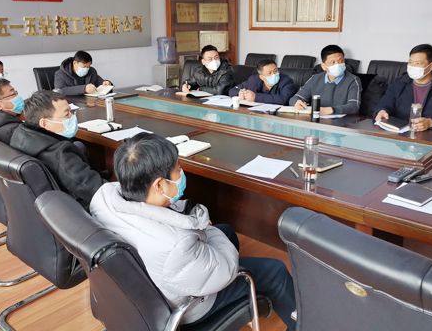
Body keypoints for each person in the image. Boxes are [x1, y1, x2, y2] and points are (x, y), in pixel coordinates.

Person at [90, 133, 296, 330]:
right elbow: (226, 269)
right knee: (275, 271)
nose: (182, 174)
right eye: (178, 169)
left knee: (226, 231)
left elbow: (161, 216)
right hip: (190, 306)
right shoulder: (174, 245)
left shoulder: (105, 199)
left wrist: (199, 224)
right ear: (159, 185)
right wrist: (204, 227)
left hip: (155, 284)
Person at [10, 90, 106, 210]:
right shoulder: (61, 154)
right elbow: (96, 190)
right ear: (45, 123)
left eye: (71, 111)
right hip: (76, 209)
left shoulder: (20, 133)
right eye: (67, 114)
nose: (72, 117)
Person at [374, 44, 432, 131]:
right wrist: (381, 111)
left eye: (417, 63)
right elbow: (385, 102)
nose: (412, 66)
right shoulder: (400, 82)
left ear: (431, 66)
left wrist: (430, 122)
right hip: (401, 133)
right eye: (410, 62)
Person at [289, 45, 361, 115]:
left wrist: (331, 110)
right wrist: (296, 103)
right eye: (333, 62)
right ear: (324, 66)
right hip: (317, 119)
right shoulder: (315, 79)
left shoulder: (353, 80)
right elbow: (294, 98)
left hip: (343, 121)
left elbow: (354, 106)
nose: (338, 65)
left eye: (341, 61)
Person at [228, 59, 297, 105]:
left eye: (275, 71)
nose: (274, 74)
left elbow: (283, 99)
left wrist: (255, 97)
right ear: (262, 77)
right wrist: (240, 93)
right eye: (269, 73)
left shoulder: (286, 81)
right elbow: (232, 90)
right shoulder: (254, 79)